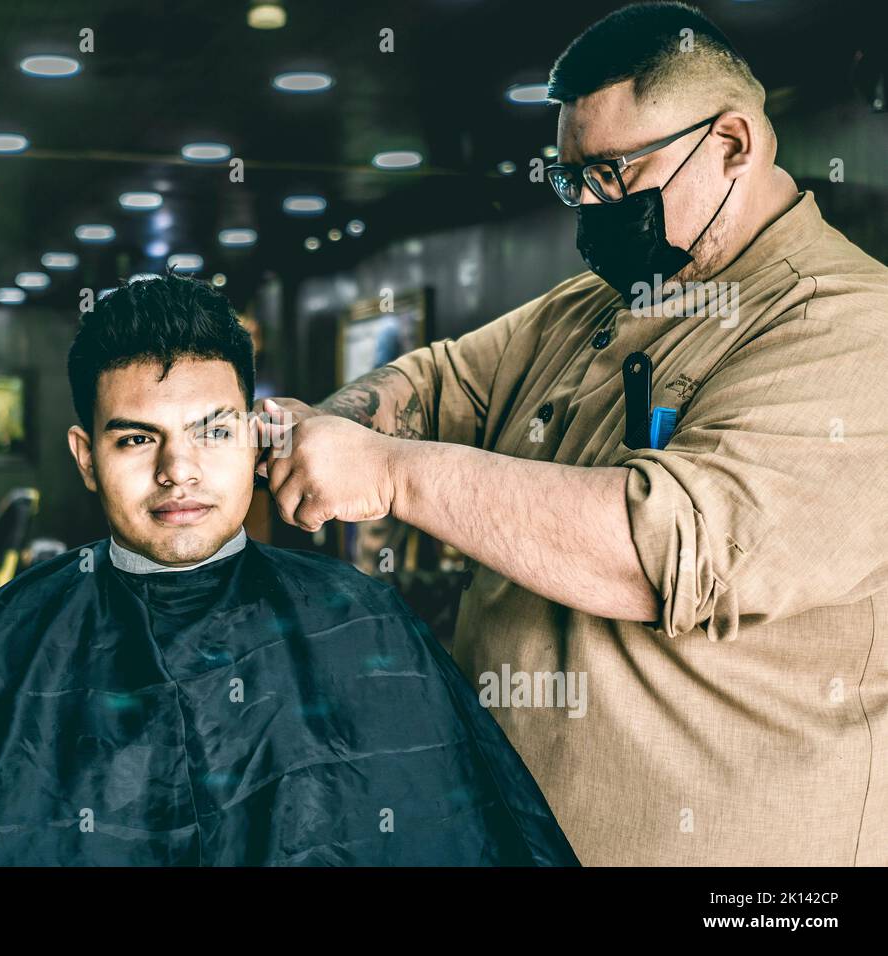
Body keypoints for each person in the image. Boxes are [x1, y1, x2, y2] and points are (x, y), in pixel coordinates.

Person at [256, 1, 888, 866]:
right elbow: (435, 381)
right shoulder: (602, 304)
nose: (590, 205)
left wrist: (393, 475)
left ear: (735, 143)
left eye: (615, 173)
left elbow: (660, 549)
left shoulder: (853, 328)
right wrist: (331, 426)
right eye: (572, 179)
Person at [0, 271, 578, 866]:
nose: (179, 471)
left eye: (212, 432)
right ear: (86, 457)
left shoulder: (366, 625)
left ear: (256, 436)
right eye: (137, 440)